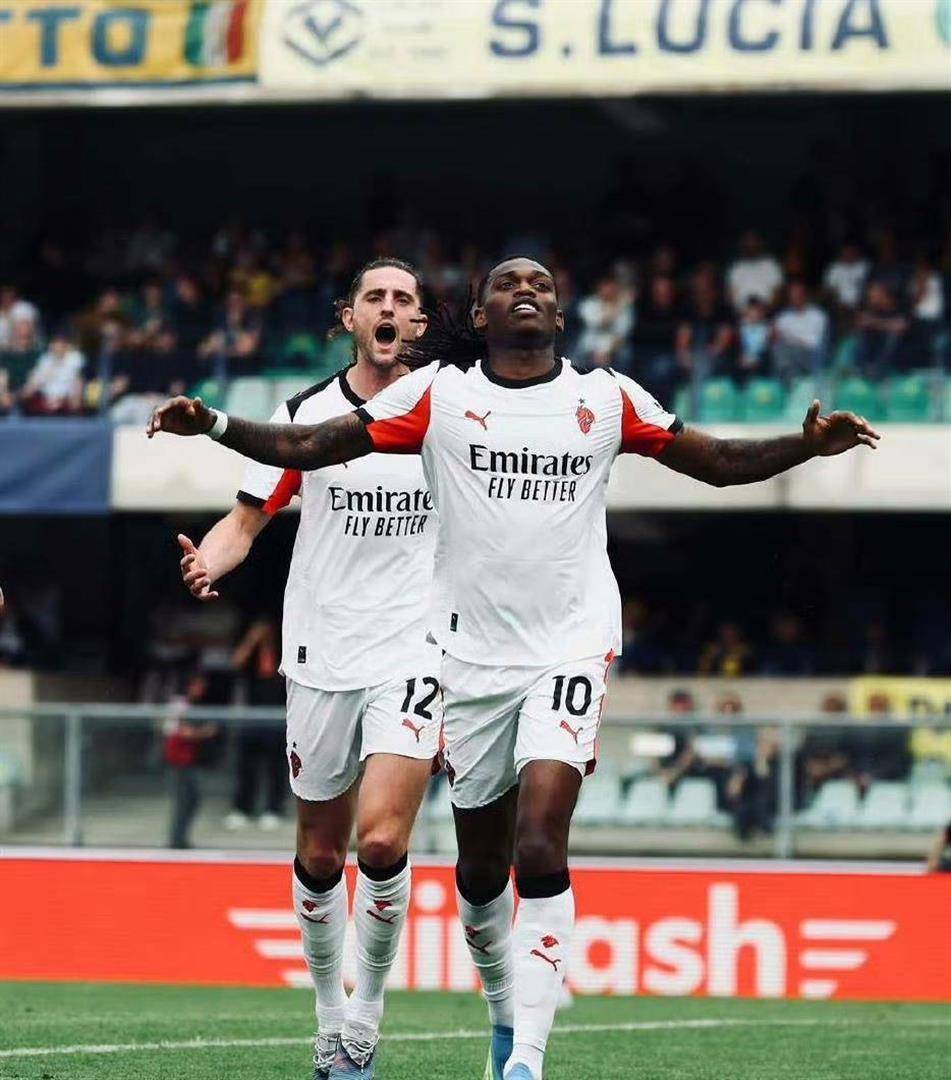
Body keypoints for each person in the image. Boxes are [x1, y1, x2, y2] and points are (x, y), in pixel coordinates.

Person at [148, 255, 880, 1080]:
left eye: (541, 284)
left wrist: (801, 447)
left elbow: (714, 460)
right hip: (428, 658)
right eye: (505, 283)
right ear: (475, 316)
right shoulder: (433, 400)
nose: (526, 290)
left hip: (514, 648)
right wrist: (214, 430)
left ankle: (487, 1051)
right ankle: (400, 1013)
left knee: (473, 843)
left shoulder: (603, 397)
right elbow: (300, 453)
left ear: (558, 316)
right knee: (440, 867)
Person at [172, 259, 438, 1079]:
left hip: (415, 648)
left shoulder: (449, 409)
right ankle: (327, 1016)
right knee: (322, 856)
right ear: (348, 318)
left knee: (382, 840)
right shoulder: (307, 416)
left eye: (403, 299)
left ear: (420, 323)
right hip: (322, 650)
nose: (389, 308)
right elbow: (246, 520)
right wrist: (210, 562)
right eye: (374, 297)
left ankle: (365, 1019)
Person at [226, 616, 288, 831]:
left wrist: (271, 643)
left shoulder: (283, 648)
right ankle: (242, 808)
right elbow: (235, 663)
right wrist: (252, 639)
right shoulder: (250, 655)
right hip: (251, 716)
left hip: (278, 716)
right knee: (247, 765)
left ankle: (273, 809)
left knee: (275, 767)